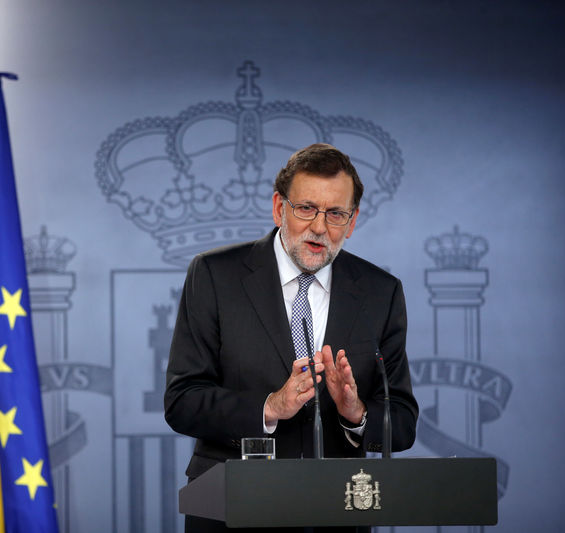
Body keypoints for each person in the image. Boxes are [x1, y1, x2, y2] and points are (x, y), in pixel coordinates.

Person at [164, 143, 419, 532]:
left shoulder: (379, 292)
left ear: (351, 223)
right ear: (279, 208)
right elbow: (182, 401)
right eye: (306, 209)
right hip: (234, 507)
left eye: (335, 214)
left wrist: (358, 414)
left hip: (338, 514)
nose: (319, 227)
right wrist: (269, 406)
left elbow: (402, 422)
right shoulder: (215, 276)